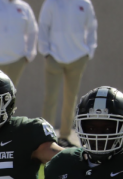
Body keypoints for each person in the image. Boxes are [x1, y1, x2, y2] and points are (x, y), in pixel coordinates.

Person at [38, 0, 98, 147]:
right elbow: (43, 26)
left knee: (71, 98)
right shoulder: (51, 3)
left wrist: (88, 52)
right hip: (54, 57)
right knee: (50, 97)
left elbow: (91, 27)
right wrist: (46, 52)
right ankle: (46, 136)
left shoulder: (85, 3)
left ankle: (64, 136)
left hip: (78, 57)